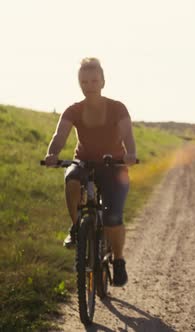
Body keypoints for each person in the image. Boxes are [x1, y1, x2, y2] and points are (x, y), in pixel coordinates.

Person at [44, 57, 137, 287]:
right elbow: (60, 136)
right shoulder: (73, 110)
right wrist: (52, 154)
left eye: (94, 80)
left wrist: (131, 153)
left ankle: (118, 260)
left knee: (113, 217)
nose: (89, 85)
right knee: (72, 178)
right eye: (84, 81)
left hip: (114, 165)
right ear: (79, 84)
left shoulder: (117, 107)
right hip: (84, 162)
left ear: (103, 81)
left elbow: (127, 135)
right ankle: (77, 228)